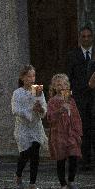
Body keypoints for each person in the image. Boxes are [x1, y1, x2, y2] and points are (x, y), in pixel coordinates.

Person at [11, 65, 48, 189]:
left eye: (33, 76)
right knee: (25, 153)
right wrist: (30, 109)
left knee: (35, 151)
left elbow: (44, 108)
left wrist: (40, 108)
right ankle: (18, 173)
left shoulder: (38, 91)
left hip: (36, 127)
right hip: (23, 127)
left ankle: (33, 183)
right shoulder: (17, 93)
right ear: (22, 78)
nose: (32, 79)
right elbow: (15, 110)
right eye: (29, 76)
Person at [47, 74, 82, 189]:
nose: (61, 86)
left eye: (63, 84)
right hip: (58, 134)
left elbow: (76, 117)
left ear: (67, 86)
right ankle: (63, 183)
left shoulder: (70, 100)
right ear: (54, 87)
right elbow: (50, 117)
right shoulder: (52, 101)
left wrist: (78, 133)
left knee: (74, 155)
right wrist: (60, 110)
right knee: (61, 159)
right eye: (58, 84)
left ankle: (71, 180)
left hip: (71, 133)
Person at [67, 26, 94, 171]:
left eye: (88, 36)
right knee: (82, 130)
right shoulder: (73, 55)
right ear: (79, 38)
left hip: (94, 99)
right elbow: (68, 78)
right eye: (83, 36)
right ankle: (84, 161)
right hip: (80, 99)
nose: (86, 39)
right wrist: (67, 99)